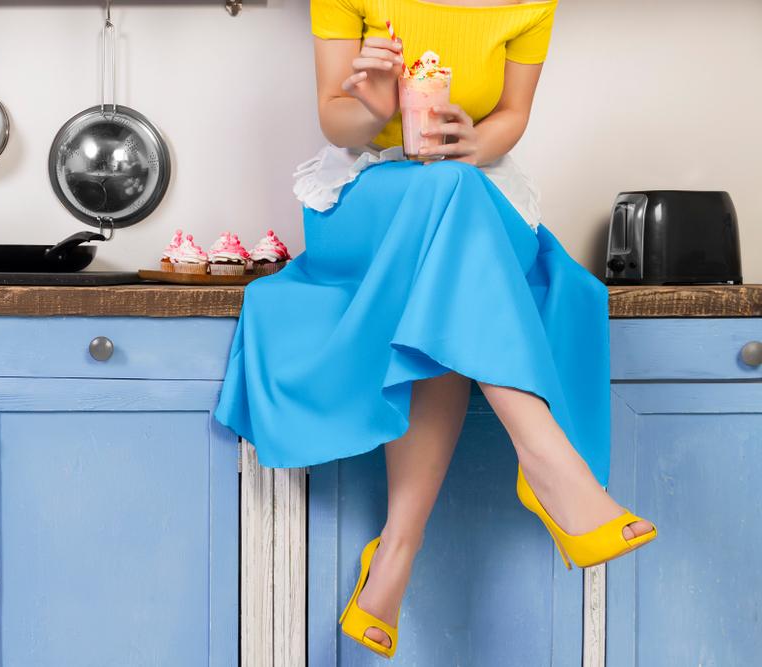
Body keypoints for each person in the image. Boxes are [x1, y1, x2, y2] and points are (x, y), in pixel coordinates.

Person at [215, 0, 657, 659]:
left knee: (450, 267)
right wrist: (371, 107)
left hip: (474, 194)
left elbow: (511, 115)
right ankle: (548, 461)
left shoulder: (532, 4)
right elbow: (336, 119)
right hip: (368, 200)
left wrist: (477, 143)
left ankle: (397, 547)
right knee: (452, 214)